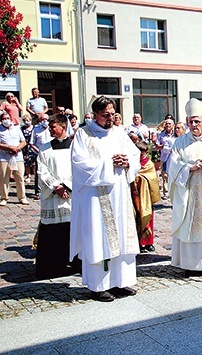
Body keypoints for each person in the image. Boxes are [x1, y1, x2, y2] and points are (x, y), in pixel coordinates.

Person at [71, 96, 141, 302]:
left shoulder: (119, 132)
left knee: (121, 236)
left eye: (112, 114)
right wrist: (109, 164)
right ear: (95, 115)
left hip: (119, 193)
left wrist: (127, 161)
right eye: (105, 115)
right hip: (96, 197)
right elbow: (79, 164)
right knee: (98, 238)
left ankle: (120, 282)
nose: (110, 118)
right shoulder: (84, 134)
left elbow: (134, 154)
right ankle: (98, 286)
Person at [168, 98, 202, 277]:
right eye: (190, 122)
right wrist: (188, 167)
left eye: (196, 121)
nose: (193, 125)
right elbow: (173, 164)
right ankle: (190, 265)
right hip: (188, 190)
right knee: (188, 224)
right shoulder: (180, 142)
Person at [35, 114, 80, 279]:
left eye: (53, 126)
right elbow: (41, 171)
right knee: (53, 233)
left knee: (73, 230)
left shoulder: (76, 147)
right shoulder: (44, 148)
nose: (50, 129)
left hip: (72, 195)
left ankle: (76, 263)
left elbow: (80, 168)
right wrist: (56, 187)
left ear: (63, 127)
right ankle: (53, 266)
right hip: (53, 197)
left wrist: (67, 186)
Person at [134, 141, 161, 253]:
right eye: (140, 154)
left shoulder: (149, 164)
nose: (142, 156)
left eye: (143, 154)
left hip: (147, 196)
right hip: (136, 195)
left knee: (148, 217)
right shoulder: (133, 162)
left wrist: (142, 179)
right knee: (137, 218)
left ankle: (148, 242)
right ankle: (139, 243)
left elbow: (152, 178)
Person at [0, 112, 28, 205]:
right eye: (4, 118)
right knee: (4, 177)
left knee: (19, 176)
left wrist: (18, 148)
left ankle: (22, 197)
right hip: (4, 156)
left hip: (17, 156)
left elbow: (23, 141)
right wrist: (9, 148)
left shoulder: (16, 129)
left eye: (8, 118)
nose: (6, 120)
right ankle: (4, 197)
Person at [30, 114, 52, 200]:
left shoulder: (51, 128)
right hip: (39, 153)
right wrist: (39, 151)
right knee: (38, 173)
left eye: (46, 119)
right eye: (43, 119)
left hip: (51, 154)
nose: (45, 121)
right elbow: (32, 143)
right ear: (39, 121)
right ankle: (38, 191)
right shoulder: (36, 130)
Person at [154, 118, 176, 198]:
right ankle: (166, 192)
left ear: (173, 125)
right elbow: (156, 145)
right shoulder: (161, 135)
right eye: (166, 124)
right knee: (165, 175)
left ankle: (173, 191)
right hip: (165, 157)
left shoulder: (175, 134)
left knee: (173, 174)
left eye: (170, 124)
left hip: (174, 157)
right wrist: (162, 146)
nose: (168, 125)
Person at [21, 114, 36, 182]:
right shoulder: (22, 129)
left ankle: (36, 176)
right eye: (25, 120)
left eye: (28, 120)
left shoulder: (34, 128)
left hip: (33, 147)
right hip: (25, 147)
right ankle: (28, 175)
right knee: (27, 162)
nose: (26, 122)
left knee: (34, 163)